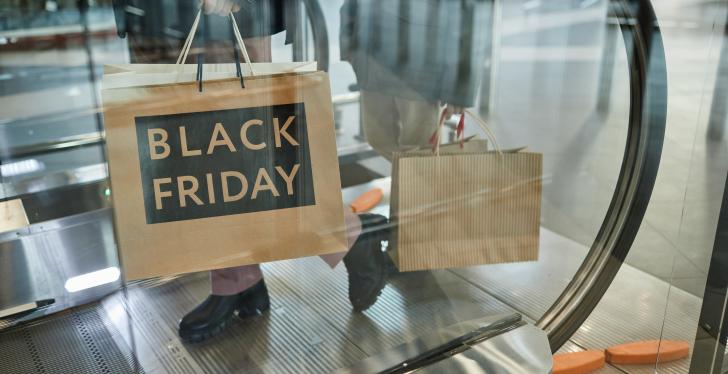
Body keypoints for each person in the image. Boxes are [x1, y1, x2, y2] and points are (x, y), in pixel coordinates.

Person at [113, 0, 389, 343]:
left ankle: (348, 235)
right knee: (195, 161)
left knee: (239, 153)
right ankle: (241, 277)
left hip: (213, 18)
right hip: (153, 17)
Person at [339, 0, 490, 159]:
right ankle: (408, 180)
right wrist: (348, 41)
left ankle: (416, 181)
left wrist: (461, 87)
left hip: (420, 70)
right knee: (379, 140)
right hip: (372, 57)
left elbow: (472, 13)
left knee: (418, 151)